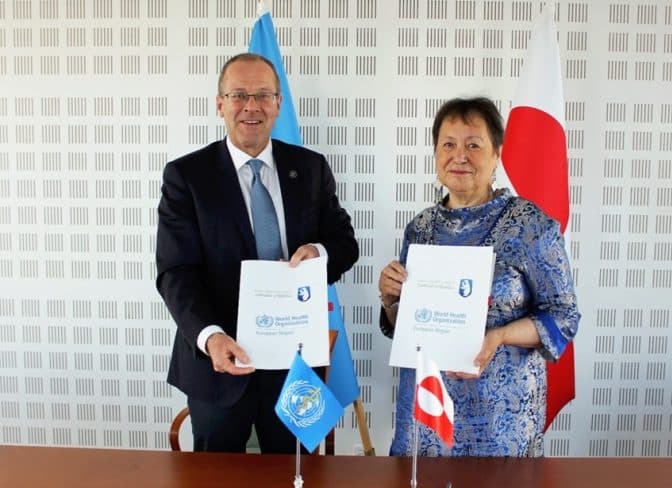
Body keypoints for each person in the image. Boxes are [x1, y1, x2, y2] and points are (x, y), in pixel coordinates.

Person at [156, 53, 358, 453]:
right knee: (216, 480)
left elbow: (345, 243)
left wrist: (319, 252)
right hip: (220, 363)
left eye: (263, 95)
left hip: (297, 363)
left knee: (299, 471)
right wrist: (211, 338)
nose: (252, 106)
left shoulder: (311, 168)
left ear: (278, 103)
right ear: (220, 104)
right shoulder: (186, 177)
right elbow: (175, 272)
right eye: (239, 95)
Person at [378, 97, 579, 457]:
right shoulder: (420, 228)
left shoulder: (529, 224)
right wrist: (391, 299)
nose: (460, 156)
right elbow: (407, 327)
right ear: (436, 152)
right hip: (426, 418)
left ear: (497, 154)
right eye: (449, 145)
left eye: (474, 145)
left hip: (500, 422)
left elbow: (564, 316)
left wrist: (499, 336)